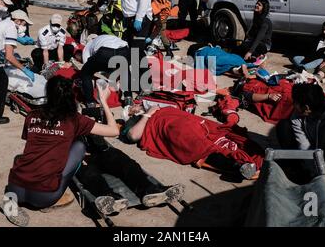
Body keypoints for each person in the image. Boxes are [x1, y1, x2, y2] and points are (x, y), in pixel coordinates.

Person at [0, 76, 120, 227]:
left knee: (23, 158)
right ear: (71, 95)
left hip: (15, 185)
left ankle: (11, 201)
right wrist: (103, 101)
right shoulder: (74, 119)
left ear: (47, 94)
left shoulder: (32, 115)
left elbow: (34, 143)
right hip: (44, 196)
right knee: (80, 145)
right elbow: (114, 131)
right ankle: (46, 202)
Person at [122, 105, 264, 180]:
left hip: (191, 122)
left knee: (221, 134)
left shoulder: (153, 108)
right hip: (170, 128)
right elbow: (134, 136)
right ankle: (239, 164)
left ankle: (248, 157)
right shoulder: (135, 122)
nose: (136, 106)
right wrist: (148, 114)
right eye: (132, 108)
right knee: (198, 144)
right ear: (130, 114)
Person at [76, 134, 185, 215]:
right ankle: (110, 198)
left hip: (98, 152)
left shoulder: (85, 116)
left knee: (124, 162)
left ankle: (150, 190)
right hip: (77, 157)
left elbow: (111, 132)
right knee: (89, 173)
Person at [109, 0, 153, 92]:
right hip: (130, 19)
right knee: (135, 53)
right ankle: (141, 84)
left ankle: (145, 87)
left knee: (136, 54)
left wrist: (139, 18)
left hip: (138, 19)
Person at [81, 34, 133, 107]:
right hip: (124, 49)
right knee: (125, 70)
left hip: (106, 52)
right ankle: (128, 97)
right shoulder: (107, 37)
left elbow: (87, 66)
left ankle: (90, 102)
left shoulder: (88, 45)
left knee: (86, 73)